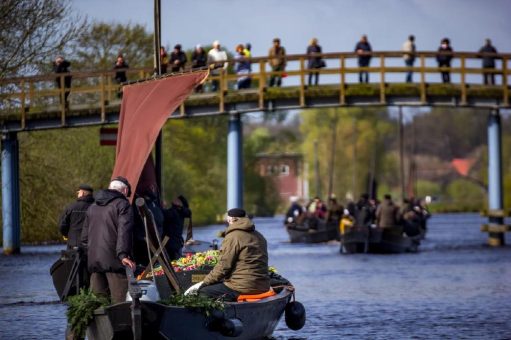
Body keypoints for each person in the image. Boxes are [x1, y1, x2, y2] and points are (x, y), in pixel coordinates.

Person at [80, 177, 135, 304]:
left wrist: (92, 253)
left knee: (97, 304)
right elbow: (124, 232)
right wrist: (123, 255)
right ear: (125, 190)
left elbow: (84, 238)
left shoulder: (92, 206)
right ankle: (122, 323)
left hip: (94, 261)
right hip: (114, 261)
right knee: (120, 302)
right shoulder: (123, 205)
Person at [197, 208, 270, 301]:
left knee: (204, 291)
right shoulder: (259, 235)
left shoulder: (233, 236)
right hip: (263, 286)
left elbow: (223, 266)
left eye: (227, 221)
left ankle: (220, 314)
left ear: (232, 220)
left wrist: (205, 283)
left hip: (242, 287)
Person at [59, 184, 94, 249]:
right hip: (91, 245)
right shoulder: (96, 208)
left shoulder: (71, 207)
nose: (77, 195)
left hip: (73, 244)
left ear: (82, 193)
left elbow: (62, 225)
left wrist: (66, 235)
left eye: (78, 193)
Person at [162, 195, 192, 260]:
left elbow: (164, 215)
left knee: (174, 261)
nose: (174, 200)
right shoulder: (177, 211)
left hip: (173, 243)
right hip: (175, 243)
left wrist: (162, 207)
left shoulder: (176, 212)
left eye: (177, 200)